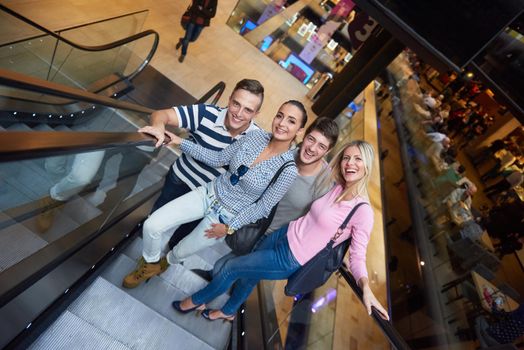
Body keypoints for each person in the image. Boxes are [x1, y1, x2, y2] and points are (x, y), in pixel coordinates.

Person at [172, 141, 390, 322]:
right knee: (249, 279)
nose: (349, 163)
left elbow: (358, 255)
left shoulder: (363, 211)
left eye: (357, 159)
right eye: (346, 158)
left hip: (290, 258)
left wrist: (366, 287)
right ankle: (229, 312)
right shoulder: (336, 186)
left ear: (367, 165)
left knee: (231, 268)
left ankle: (195, 300)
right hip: (282, 235)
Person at [122, 100, 307, 288]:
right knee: (152, 225)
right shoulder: (255, 137)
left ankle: (165, 263)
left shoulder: (288, 170)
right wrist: (179, 141)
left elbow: (263, 207)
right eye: (280, 116)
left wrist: (229, 227)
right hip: (208, 193)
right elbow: (218, 158)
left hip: (224, 219)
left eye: (291, 121)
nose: (282, 124)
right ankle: (150, 265)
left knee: (180, 252)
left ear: (299, 131)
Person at [194, 117, 340, 280]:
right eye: (311, 139)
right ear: (304, 136)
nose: (312, 148)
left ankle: (217, 295)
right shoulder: (285, 154)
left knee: (237, 271)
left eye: (321, 146)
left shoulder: (325, 182)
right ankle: (214, 280)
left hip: (275, 238)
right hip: (253, 222)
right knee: (232, 260)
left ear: (327, 152)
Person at [141, 79, 264, 249]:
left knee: (184, 234)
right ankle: (147, 254)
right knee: (155, 221)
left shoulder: (257, 139)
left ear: (256, 114)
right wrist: (157, 127)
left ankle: (166, 257)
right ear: (229, 100)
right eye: (236, 104)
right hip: (180, 180)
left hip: (209, 198)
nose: (239, 113)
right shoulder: (206, 113)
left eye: (248, 110)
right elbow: (161, 114)